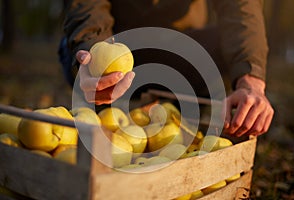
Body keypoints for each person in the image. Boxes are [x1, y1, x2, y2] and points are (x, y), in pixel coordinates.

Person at [59, 0, 274, 137]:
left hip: (181, 47)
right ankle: (101, 107)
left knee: (221, 42)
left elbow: (241, 8)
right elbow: (87, 5)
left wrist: (250, 80)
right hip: (118, 41)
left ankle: (187, 115)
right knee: (75, 47)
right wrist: (91, 50)